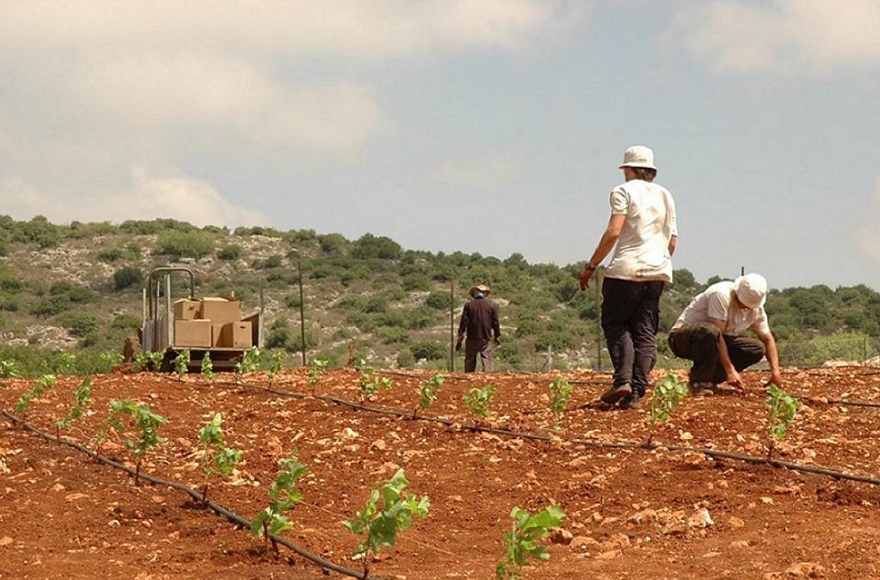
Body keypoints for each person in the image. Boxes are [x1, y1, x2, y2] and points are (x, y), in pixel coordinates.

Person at [579, 145, 678, 410]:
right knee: (645, 331)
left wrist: (591, 266)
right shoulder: (666, 196)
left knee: (616, 323)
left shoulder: (623, 191)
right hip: (657, 272)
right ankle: (637, 391)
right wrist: (658, 262)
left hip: (626, 271)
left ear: (629, 169)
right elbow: (672, 242)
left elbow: (613, 232)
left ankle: (622, 379)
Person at [668, 273, 784, 394]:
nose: (746, 308)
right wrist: (730, 370)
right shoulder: (720, 294)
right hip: (684, 339)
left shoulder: (757, 309)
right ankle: (700, 381)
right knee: (710, 331)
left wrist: (776, 372)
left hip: (715, 340)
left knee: (756, 349)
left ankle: (710, 379)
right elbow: (717, 334)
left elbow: (767, 339)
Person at [456, 284, 501, 373]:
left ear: (475, 294)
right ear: (485, 294)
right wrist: (497, 336)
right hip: (485, 337)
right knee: (486, 358)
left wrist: (460, 335)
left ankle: (468, 377)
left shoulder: (469, 305)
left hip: (472, 336)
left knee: (470, 360)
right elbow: (496, 323)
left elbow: (464, 322)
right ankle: (487, 378)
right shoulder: (490, 306)